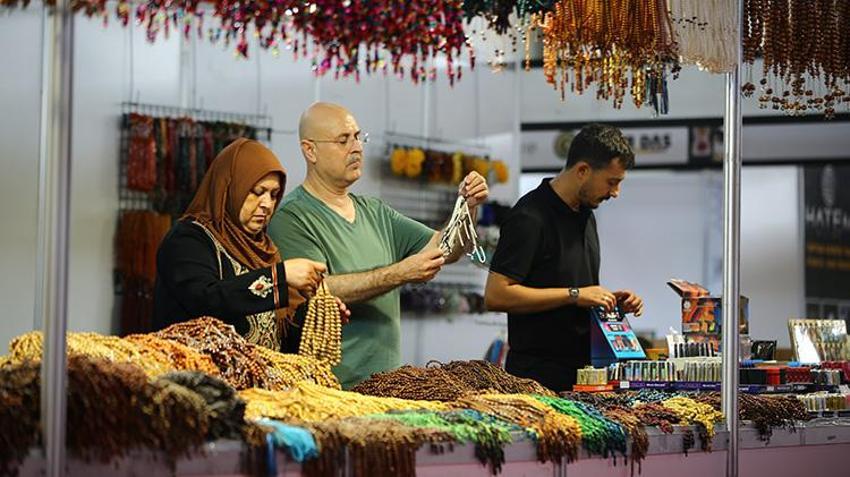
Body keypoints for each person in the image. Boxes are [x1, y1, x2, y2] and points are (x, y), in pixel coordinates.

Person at [268, 102, 489, 388]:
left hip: (388, 386)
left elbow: (445, 248)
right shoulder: (292, 217)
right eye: (343, 140)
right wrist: (400, 273)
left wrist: (467, 207)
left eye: (359, 137)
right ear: (310, 150)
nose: (356, 147)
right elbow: (316, 289)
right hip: (333, 390)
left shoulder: (375, 212)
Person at [484, 123, 644, 392]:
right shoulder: (529, 216)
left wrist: (607, 301)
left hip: (581, 376)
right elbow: (496, 295)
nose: (615, 193)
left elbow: (573, 289)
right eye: (612, 182)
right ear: (582, 171)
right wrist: (576, 294)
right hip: (535, 381)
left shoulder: (586, 216)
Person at [154, 138, 347, 350]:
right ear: (230, 187)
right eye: (257, 192)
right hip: (196, 378)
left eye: (274, 195)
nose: (267, 204)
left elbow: (277, 339)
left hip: (258, 381)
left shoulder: (264, 251)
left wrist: (316, 315)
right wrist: (278, 277)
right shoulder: (190, 239)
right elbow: (204, 300)